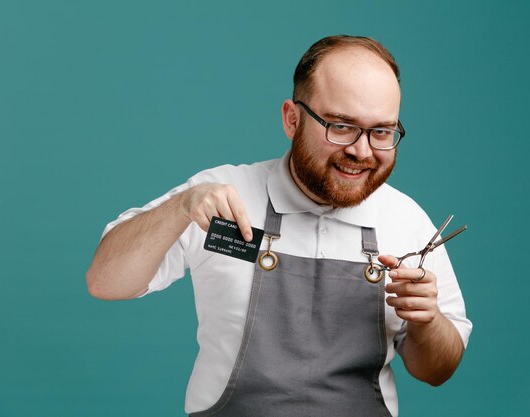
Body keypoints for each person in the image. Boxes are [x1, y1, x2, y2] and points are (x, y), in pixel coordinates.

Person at [87, 35, 472, 417]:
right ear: (292, 118)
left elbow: (436, 371)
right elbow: (105, 282)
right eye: (340, 126)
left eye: (382, 132)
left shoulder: (408, 221)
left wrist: (428, 321)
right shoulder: (220, 197)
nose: (361, 150)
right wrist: (179, 208)